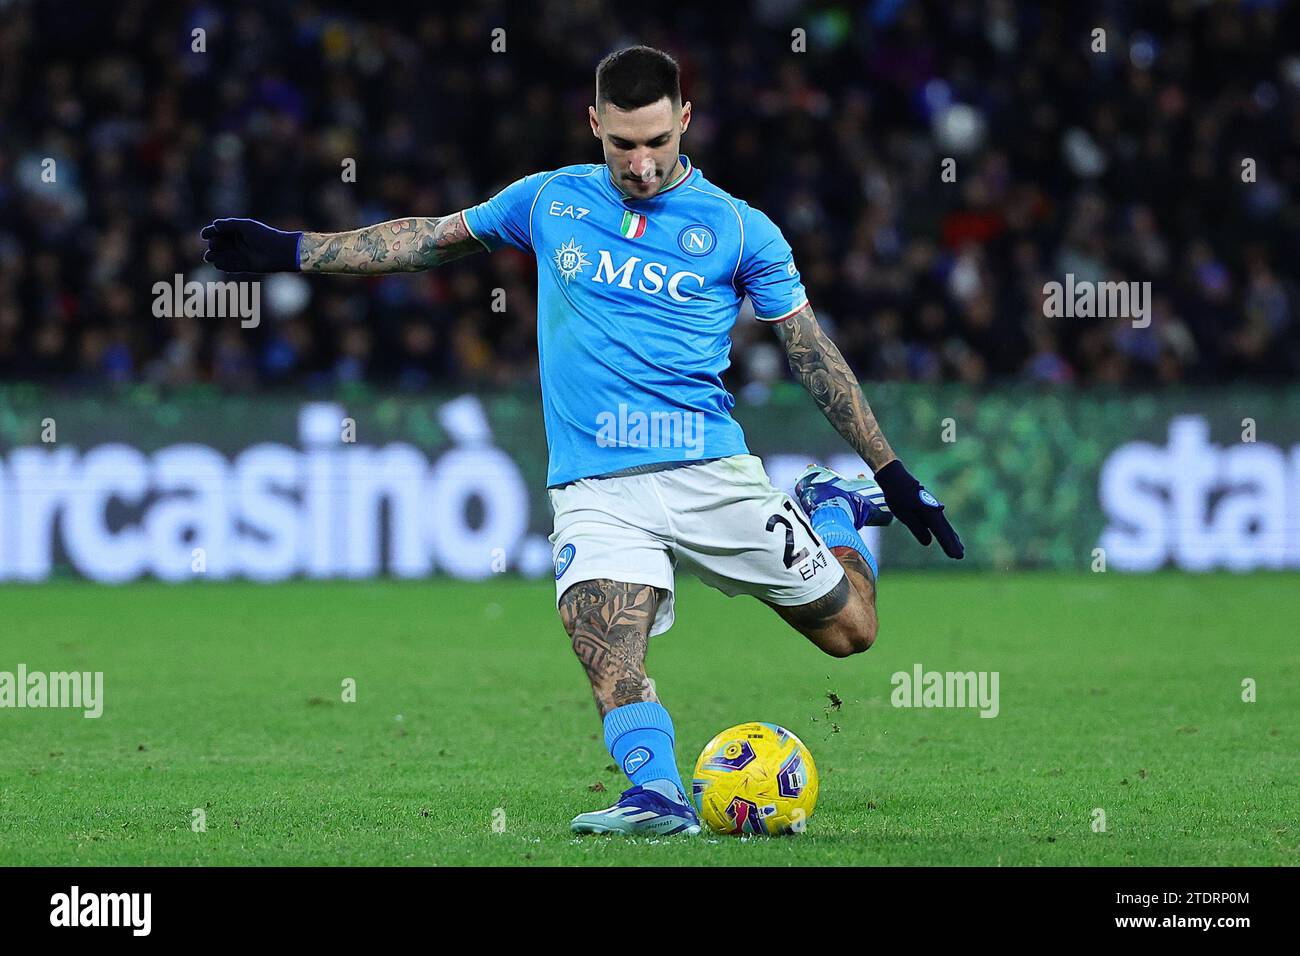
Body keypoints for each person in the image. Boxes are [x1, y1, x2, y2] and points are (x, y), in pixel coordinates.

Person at [201, 45, 963, 837]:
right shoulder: (548, 200)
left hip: (712, 473)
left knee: (853, 635)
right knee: (606, 646)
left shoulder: (742, 230)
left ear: (685, 122)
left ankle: (830, 511)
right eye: (623, 143)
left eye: (658, 142)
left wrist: (890, 469)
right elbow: (429, 238)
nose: (640, 164)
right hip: (596, 485)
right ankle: (657, 795)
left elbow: (811, 353)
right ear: (594, 124)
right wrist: (293, 249)